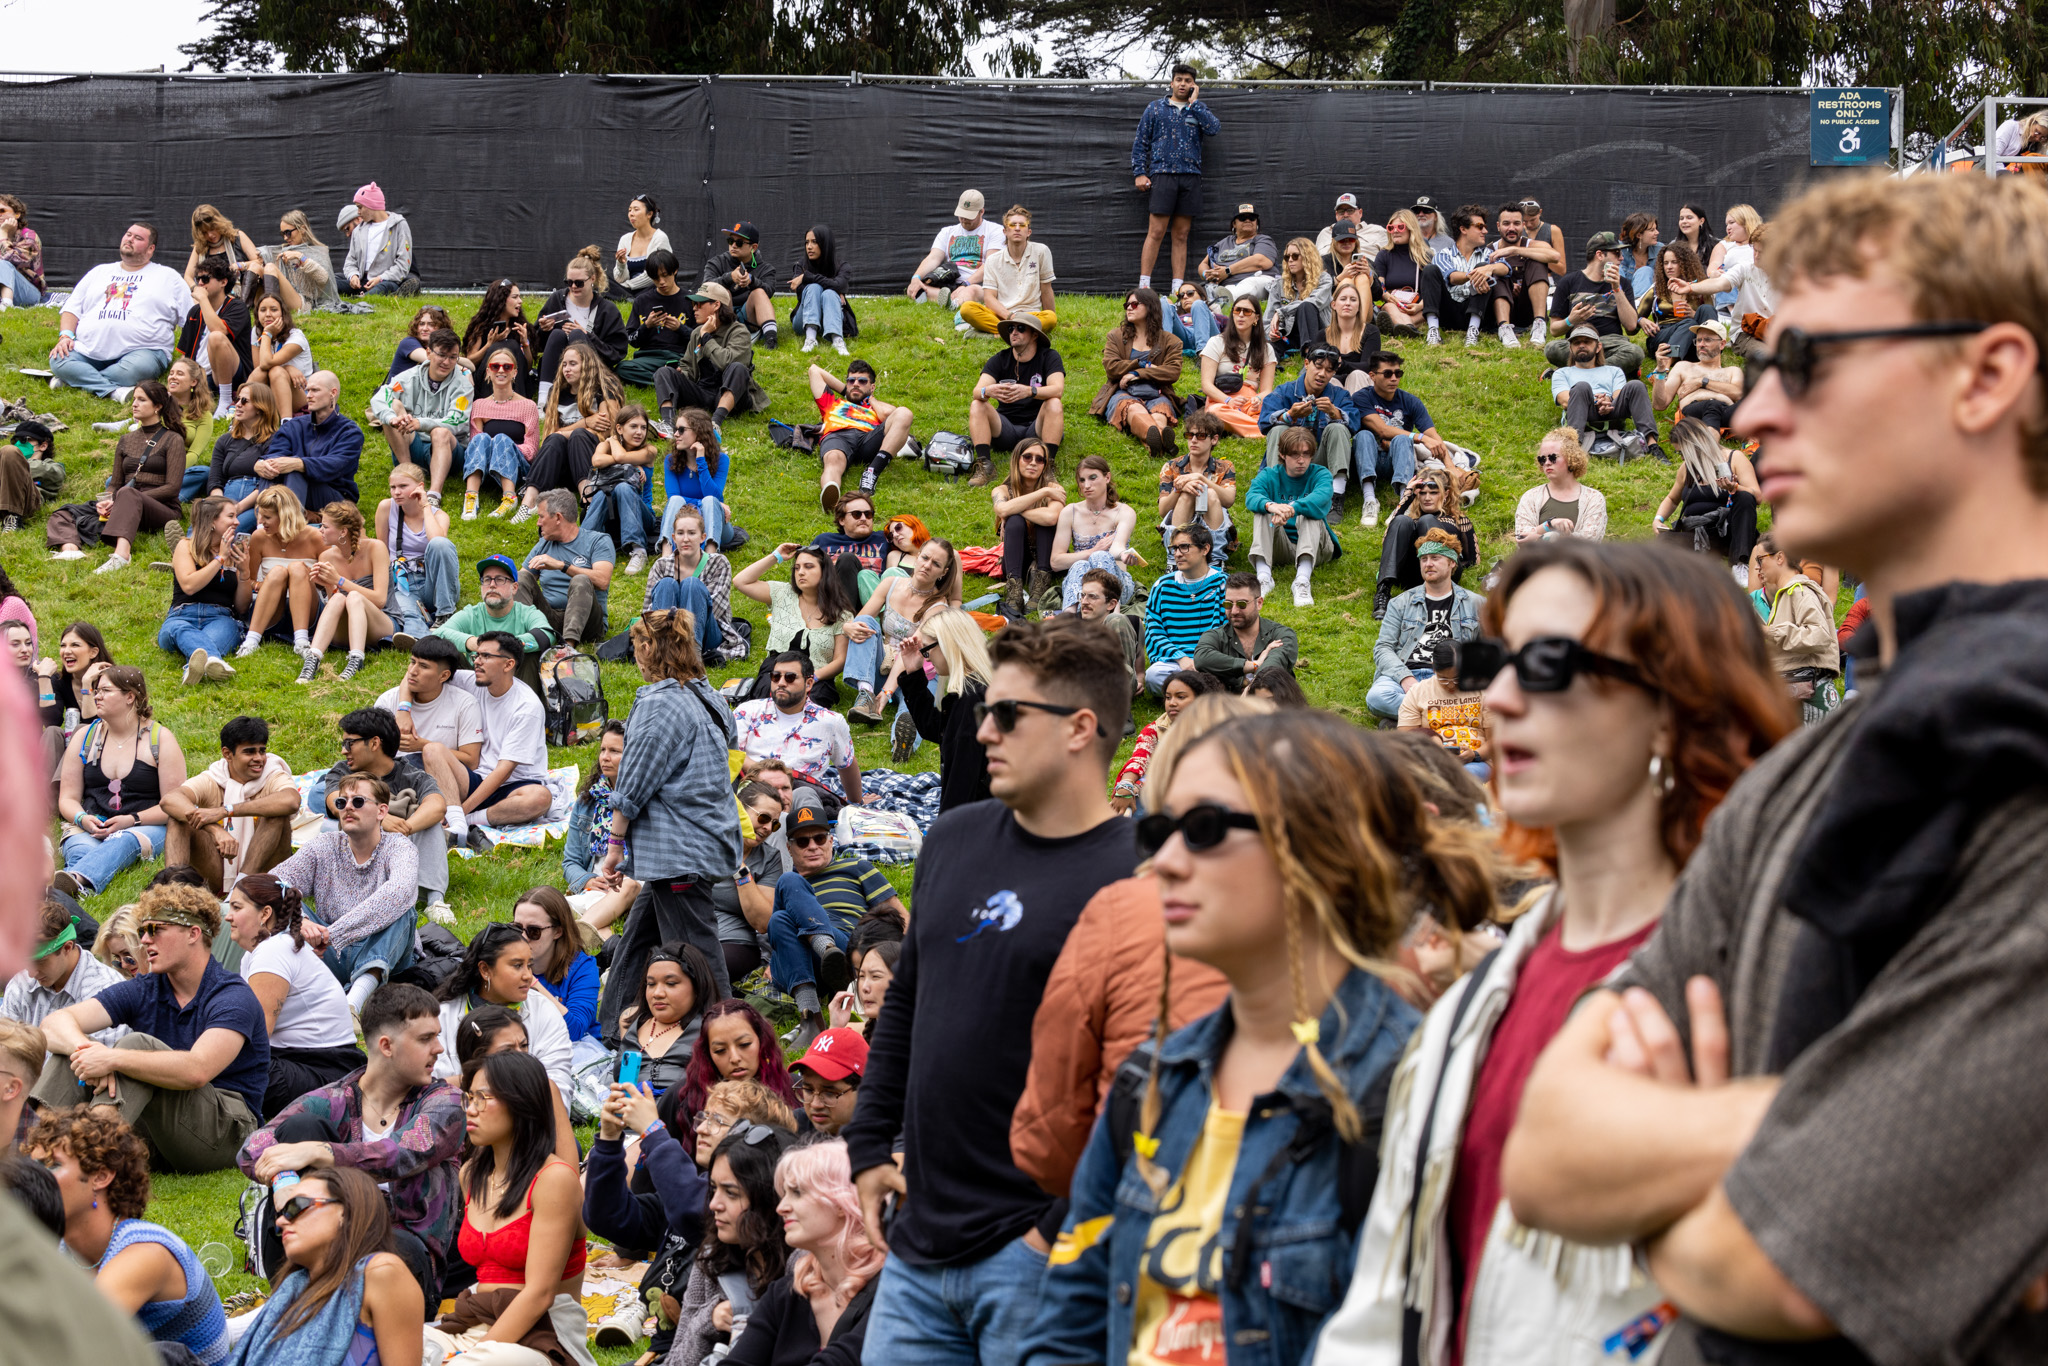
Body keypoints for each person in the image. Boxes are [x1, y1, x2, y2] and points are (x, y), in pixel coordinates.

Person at [1490, 171, 2048, 1365]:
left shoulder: (2020, 756)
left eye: (1803, 365)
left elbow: (1777, 1268)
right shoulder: (1809, 773)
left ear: (1988, 374)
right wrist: (1821, 1121)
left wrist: (1675, 1154)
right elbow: (1543, 1150)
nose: (1746, 419)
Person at [1319, 540, 1793, 1364]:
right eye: (1494, 661)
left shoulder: (1759, 982)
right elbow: (1383, 1311)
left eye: (1544, 662)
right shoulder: (1476, 997)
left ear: (1678, 702)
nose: (1496, 696)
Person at [1024, 712, 1445, 1366]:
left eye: (1205, 830)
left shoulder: (1410, 1093)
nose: (1163, 862)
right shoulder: (1153, 1079)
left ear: (1321, 851)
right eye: (1160, 830)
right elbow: (1069, 1321)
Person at [847, 617, 1137, 1366]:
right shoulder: (953, 837)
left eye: (1007, 714)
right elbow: (908, 997)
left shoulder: (1138, 873)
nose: (982, 732)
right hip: (919, 1240)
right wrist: (870, 1143)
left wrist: (1059, 1226)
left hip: (1041, 1251)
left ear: (1080, 728)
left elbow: (1144, 1078)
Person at [33, 881, 268, 1172]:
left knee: (135, 1047)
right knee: (69, 1052)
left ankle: (88, 1159)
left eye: (155, 930)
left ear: (193, 933)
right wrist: (87, 1050)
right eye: (143, 931)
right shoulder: (147, 988)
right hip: (159, 1132)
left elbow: (197, 1069)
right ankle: (33, 1155)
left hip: (226, 1131)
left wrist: (112, 1058)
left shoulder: (232, 996)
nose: (144, 940)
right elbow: (55, 1023)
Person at [594, 610, 745, 1039]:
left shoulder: (660, 702)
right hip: (702, 839)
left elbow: (634, 781)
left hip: (681, 850)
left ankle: (725, 1036)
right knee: (637, 940)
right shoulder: (709, 694)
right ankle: (612, 1031)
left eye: (637, 644)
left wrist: (615, 844)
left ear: (648, 650)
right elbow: (730, 756)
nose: (634, 654)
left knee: (695, 952)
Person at [424, 1050, 592, 1363]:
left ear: (521, 1103)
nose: (470, 1110)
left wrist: (471, 1352)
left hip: (543, 1333)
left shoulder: (554, 1179)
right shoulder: (471, 1174)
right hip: (478, 1319)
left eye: (483, 1098)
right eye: (469, 1097)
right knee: (386, 1346)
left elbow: (539, 1294)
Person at [28, 1106, 232, 1360]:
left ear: (100, 1176)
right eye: (34, 1165)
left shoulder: (143, 1254)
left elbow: (72, 1342)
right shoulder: (60, 1247)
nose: (34, 1177)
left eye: (53, 1165)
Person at [222, 1166, 426, 1366]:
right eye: (283, 1213)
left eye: (297, 1207)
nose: (281, 1221)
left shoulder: (380, 1272)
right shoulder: (294, 1288)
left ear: (346, 1212)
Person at [715, 1137, 881, 1362]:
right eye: (784, 1194)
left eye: (797, 1193)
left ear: (842, 1202)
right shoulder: (787, 1295)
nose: (781, 1208)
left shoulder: (887, 1291)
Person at [270, 772, 420, 1012]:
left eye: (358, 801)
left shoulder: (400, 847)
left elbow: (398, 892)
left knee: (403, 910)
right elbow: (274, 882)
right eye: (342, 802)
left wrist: (333, 934)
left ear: (382, 811)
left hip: (385, 952)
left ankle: (352, 1004)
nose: (348, 808)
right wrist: (301, 918)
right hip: (328, 951)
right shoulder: (324, 845)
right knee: (273, 902)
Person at [769, 801, 908, 1047]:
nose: (812, 846)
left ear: (831, 841)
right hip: (798, 965)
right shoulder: (788, 885)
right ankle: (812, 1013)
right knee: (783, 905)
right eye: (803, 842)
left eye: (820, 838)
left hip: (845, 952)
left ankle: (812, 1013)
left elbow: (901, 916)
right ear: (790, 849)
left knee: (784, 903)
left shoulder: (856, 867)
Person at [224, 874, 364, 1118]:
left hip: (328, 1075)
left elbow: (255, 1035)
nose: (228, 916)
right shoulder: (261, 952)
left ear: (264, 913)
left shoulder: (273, 950)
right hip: (307, 1064)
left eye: (236, 907)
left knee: (227, 1063)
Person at [669, 1122, 797, 1366]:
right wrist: (710, 1320)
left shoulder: (806, 1269)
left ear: (770, 1198)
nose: (714, 1204)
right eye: (714, 1189)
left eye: (731, 1193)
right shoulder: (713, 1257)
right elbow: (674, 1361)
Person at [54, 667, 187, 901]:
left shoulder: (159, 739)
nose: (96, 696)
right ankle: (70, 890)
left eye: (105, 690)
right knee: (82, 849)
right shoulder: (85, 737)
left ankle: (71, 881)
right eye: (96, 690)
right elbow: (67, 798)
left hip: (143, 827)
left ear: (130, 697)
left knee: (122, 841)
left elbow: (174, 805)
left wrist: (132, 820)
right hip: (91, 825)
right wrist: (82, 819)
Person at [322, 705, 454, 924]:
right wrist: (381, 819)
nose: (344, 751)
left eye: (349, 743)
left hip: (406, 858)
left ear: (374, 743)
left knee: (430, 822)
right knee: (347, 814)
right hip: (361, 863)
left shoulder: (412, 775)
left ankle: (434, 901)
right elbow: (336, 803)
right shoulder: (342, 772)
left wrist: (406, 827)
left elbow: (437, 805)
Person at [421, 632, 554, 838]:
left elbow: (504, 772)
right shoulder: (472, 681)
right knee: (431, 750)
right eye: (476, 656)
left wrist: (462, 811)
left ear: (508, 664)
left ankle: (464, 821)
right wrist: (403, 708)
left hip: (513, 787)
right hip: (475, 777)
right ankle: (458, 821)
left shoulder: (527, 707)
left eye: (485, 656)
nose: (477, 662)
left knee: (540, 798)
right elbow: (419, 674)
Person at [432, 926, 574, 1104]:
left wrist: (471, 1083)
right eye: (517, 966)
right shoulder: (444, 1015)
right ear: (485, 970)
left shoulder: (543, 1010)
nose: (528, 976)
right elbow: (432, 1090)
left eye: (529, 965)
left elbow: (558, 1087)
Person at [48, 223, 189, 400]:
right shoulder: (99, 272)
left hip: (143, 351)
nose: (130, 239)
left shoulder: (169, 277)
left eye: (138, 238)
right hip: (88, 350)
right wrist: (66, 336)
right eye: (128, 234)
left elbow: (190, 320)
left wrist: (188, 361)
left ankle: (74, 379)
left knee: (133, 371)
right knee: (58, 360)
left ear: (151, 249)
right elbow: (71, 309)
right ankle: (113, 391)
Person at [160, 714, 297, 895]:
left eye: (262, 751)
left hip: (264, 875)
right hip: (218, 869)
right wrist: (215, 830)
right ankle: (172, 894)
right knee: (179, 819)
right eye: (249, 752)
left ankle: (240, 891)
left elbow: (291, 801)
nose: (259, 758)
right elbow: (170, 800)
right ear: (227, 754)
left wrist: (226, 811)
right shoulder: (215, 777)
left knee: (277, 814)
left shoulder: (273, 773)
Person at [68, 382, 186, 576]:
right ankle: (68, 549)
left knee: (127, 493)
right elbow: (115, 483)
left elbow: (172, 488)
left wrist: (129, 497)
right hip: (126, 501)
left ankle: (122, 555)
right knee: (67, 510)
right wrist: (107, 501)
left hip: (162, 508)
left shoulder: (173, 439)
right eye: (133, 400)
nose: (134, 404)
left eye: (141, 400)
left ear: (158, 406)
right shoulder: (125, 440)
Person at [1367, 526, 1483, 722]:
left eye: (1435, 558)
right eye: (1424, 559)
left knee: (1485, 700)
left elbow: (1486, 652)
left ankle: (1409, 719)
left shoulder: (1476, 604)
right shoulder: (1400, 603)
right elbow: (1383, 648)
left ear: (1452, 562)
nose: (1428, 564)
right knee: (1377, 698)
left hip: (1450, 679)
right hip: (1406, 674)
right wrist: (1406, 679)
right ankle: (1443, 718)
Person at [844, 538, 960, 725]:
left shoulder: (938, 607)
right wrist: (847, 626)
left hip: (909, 671)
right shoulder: (890, 583)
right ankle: (865, 694)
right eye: (925, 558)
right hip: (880, 664)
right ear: (917, 557)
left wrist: (886, 691)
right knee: (864, 621)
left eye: (936, 564)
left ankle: (902, 727)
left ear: (943, 572)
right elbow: (861, 620)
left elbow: (910, 653)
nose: (927, 565)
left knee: (913, 708)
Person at [1131, 63, 1221, 292]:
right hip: (1162, 176)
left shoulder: (1198, 109)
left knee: (1181, 234)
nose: (1183, 84)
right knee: (1156, 232)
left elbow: (1213, 128)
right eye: (1179, 79)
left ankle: (1177, 289)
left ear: (1194, 85)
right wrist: (1140, 172)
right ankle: (1143, 286)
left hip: (1191, 177)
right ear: (1171, 83)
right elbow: (1140, 142)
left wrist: (1196, 104)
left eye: (1188, 81)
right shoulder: (1155, 108)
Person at [894, 606, 994, 806]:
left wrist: (945, 831)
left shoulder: (971, 700)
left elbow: (962, 782)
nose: (927, 658)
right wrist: (913, 672)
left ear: (947, 644)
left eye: (927, 650)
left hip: (976, 819)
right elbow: (937, 730)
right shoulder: (978, 686)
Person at [515, 341, 623, 521]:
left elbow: (606, 433)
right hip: (561, 467)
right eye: (564, 364)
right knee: (560, 439)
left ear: (587, 365)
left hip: (593, 463)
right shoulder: (557, 392)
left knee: (579, 437)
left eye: (573, 364)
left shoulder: (604, 389)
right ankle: (528, 504)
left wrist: (569, 431)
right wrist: (586, 422)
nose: (567, 369)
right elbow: (550, 437)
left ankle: (588, 500)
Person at [735, 651, 863, 802]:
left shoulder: (831, 722)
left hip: (801, 797)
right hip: (753, 791)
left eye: (790, 677)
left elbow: (847, 764)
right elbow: (730, 753)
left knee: (805, 796)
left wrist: (856, 802)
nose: (781, 683)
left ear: (808, 684)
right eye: (776, 676)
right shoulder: (747, 711)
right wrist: (768, 776)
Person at [734, 546, 853, 705]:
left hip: (814, 676)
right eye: (797, 568)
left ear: (825, 571)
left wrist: (813, 677)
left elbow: (840, 659)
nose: (801, 572)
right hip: (776, 672)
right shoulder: (782, 593)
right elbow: (740, 581)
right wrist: (776, 556)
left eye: (808, 566)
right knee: (768, 703)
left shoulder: (841, 613)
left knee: (808, 706)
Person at [370, 326, 472, 508]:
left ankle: (434, 494)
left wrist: (421, 423)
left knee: (440, 432)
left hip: (448, 451)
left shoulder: (463, 386)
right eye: (442, 355)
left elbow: (457, 421)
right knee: (393, 407)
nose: (447, 362)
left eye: (453, 357)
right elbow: (380, 396)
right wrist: (390, 418)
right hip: (412, 445)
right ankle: (409, 474)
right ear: (428, 353)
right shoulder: (408, 378)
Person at [4, 898, 128, 1047]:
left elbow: (102, 1063)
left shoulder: (107, 990)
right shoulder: (20, 984)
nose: (31, 973)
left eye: (40, 961)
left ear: (67, 947)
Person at [299, 501, 397, 685]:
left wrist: (339, 580)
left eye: (325, 526)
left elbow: (380, 600)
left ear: (343, 531)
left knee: (353, 596)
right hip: (348, 628)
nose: (319, 530)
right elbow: (334, 602)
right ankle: (312, 659)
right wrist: (327, 584)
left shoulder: (376, 548)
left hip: (382, 625)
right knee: (337, 598)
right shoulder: (326, 556)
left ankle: (356, 659)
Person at [1653, 413, 1761, 575]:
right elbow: (1672, 499)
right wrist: (1658, 519)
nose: (1682, 457)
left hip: (1730, 531)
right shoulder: (1686, 468)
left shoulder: (1734, 458)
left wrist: (1735, 487)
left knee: (1744, 497)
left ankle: (1740, 563)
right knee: (1664, 540)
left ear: (1695, 445)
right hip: (1699, 534)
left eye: (1682, 452)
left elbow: (1757, 496)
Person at [152, 495, 244, 685]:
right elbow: (189, 586)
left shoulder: (235, 552)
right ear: (212, 520)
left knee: (225, 630)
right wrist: (219, 559)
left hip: (221, 617)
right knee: (178, 629)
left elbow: (242, 607)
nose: (237, 521)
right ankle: (211, 660)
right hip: (182, 615)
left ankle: (193, 668)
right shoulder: (185, 546)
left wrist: (246, 572)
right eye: (231, 516)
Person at [655, 281, 769, 430]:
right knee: (663, 372)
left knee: (738, 368)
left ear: (716, 305)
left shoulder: (739, 332)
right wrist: (682, 374)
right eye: (693, 305)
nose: (694, 309)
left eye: (700, 304)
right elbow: (687, 364)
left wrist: (706, 338)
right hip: (702, 392)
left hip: (733, 396)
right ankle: (668, 424)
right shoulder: (697, 332)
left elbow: (726, 363)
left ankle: (715, 423)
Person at [1754, 530, 1842, 722]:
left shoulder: (1800, 591)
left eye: (1760, 559)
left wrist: (1769, 631)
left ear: (1780, 557)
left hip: (1812, 697)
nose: (1757, 567)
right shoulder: (1786, 594)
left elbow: (1819, 635)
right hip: (1797, 696)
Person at [969, 316, 1066, 488]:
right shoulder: (1000, 359)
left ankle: (1047, 467)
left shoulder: (1049, 357)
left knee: (1054, 403)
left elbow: (1057, 389)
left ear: (1034, 335)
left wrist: (1029, 391)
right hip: (1005, 427)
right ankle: (985, 466)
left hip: (1036, 428)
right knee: (978, 403)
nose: (1014, 332)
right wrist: (988, 391)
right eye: (1011, 328)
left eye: (1021, 328)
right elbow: (977, 391)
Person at [1245, 425, 1337, 606]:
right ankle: (1263, 578)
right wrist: (1273, 507)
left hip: (1318, 548)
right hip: (1280, 546)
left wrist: (1292, 508)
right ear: (1282, 454)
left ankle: (1302, 581)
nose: (1301, 460)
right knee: (1263, 510)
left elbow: (1322, 497)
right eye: (1295, 454)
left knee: (1310, 513)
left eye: (1306, 454)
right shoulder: (1270, 475)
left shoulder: (1320, 474)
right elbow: (1251, 497)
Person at [810, 358, 915, 511]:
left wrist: (871, 400)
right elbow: (814, 370)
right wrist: (848, 391)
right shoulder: (832, 402)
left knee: (905, 413)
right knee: (833, 459)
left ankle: (872, 472)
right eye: (851, 380)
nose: (856, 384)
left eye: (862, 381)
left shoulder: (876, 407)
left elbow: (890, 414)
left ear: (872, 387)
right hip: (838, 436)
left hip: (869, 439)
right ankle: (830, 495)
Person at [613, 941, 716, 1096]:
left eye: (671, 983)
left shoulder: (713, 1028)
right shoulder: (630, 1022)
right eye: (651, 984)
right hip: (627, 1116)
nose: (658, 993)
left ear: (698, 986)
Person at [518, 488, 616, 649]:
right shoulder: (543, 544)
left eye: (541, 517)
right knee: (520, 580)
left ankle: (568, 648)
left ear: (557, 517)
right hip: (551, 618)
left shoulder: (598, 541)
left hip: (588, 623)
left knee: (581, 580)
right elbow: (519, 583)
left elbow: (602, 580)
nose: (538, 523)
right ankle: (525, 638)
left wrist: (562, 566)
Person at [1092, 286, 1183, 457]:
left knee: (1160, 412)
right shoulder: (1115, 336)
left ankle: (1156, 442)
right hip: (1123, 391)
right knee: (1134, 409)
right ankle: (1162, 441)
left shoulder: (1171, 341)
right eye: (1127, 304)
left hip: (1157, 392)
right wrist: (1142, 363)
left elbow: (1172, 372)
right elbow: (1112, 367)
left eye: (1134, 304)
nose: (1128, 308)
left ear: (1150, 307)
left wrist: (1138, 373)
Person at [1110, 669, 1218, 814]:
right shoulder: (1154, 729)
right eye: (1168, 697)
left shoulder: (1216, 729)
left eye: (1180, 697)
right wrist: (1126, 786)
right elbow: (1140, 758)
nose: (1172, 703)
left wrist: (1138, 787)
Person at [535, 245, 629, 409]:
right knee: (557, 334)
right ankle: (543, 401)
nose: (573, 287)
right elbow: (537, 345)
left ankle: (585, 398)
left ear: (592, 279)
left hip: (592, 368)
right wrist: (544, 330)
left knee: (578, 335)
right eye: (569, 282)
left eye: (578, 283)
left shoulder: (607, 310)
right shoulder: (557, 299)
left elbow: (617, 352)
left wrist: (587, 335)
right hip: (559, 367)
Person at [644, 500, 737, 665]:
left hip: (706, 633)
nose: (685, 539)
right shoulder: (661, 565)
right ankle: (664, 653)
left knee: (692, 585)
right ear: (673, 538)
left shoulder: (718, 563)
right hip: (668, 633)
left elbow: (715, 611)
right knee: (667, 584)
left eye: (691, 533)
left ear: (702, 537)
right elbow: (649, 611)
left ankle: (692, 656)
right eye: (680, 533)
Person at [374, 463, 461, 636]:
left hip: (435, 584)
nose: (396, 492)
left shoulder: (439, 515)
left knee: (440, 544)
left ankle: (444, 614)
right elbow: (380, 549)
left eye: (403, 486)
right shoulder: (386, 507)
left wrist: (426, 507)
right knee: (407, 614)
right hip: (403, 582)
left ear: (420, 487)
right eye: (393, 487)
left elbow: (438, 540)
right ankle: (421, 638)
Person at [1542, 231, 1646, 376]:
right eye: (1616, 253)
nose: (1621, 258)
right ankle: (1612, 371)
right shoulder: (1569, 282)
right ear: (1600, 255)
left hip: (1611, 343)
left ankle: (1576, 371)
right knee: (1552, 348)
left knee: (1635, 352)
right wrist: (1571, 320)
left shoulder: (1623, 284)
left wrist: (1616, 288)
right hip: (1580, 341)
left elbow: (1630, 326)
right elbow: (1554, 330)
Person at [1258, 342, 1359, 490]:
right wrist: (1289, 415)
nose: (1322, 374)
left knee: (1338, 428)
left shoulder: (1340, 395)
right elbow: (1264, 422)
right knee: (1277, 430)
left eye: (1329, 370)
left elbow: (1355, 424)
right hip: (1289, 460)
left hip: (1320, 462)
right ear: (1306, 363)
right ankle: (1278, 489)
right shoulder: (1285, 391)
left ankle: (1336, 494)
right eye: (1318, 367)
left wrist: (1334, 413)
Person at [260, 369, 364, 512]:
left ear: (332, 393)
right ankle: (263, 522)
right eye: (307, 390)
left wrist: (299, 463)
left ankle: (291, 526)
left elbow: (335, 465)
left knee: (295, 470)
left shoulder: (349, 431)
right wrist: (263, 464)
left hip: (333, 496)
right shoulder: (294, 426)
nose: (308, 396)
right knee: (271, 468)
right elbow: (275, 454)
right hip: (291, 490)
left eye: (315, 390)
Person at [1050, 455, 1143, 613]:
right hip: (1081, 587)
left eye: (1093, 478)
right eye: (1082, 480)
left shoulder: (1124, 512)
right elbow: (1056, 562)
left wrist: (1124, 555)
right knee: (1080, 565)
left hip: (1116, 586)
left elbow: (1116, 548)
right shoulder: (1070, 512)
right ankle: (1069, 620)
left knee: (1101, 557)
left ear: (1107, 477)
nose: (1087, 485)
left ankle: (1113, 617)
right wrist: (1092, 551)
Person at [515, 887, 601, 1058]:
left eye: (534, 931)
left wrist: (532, 983)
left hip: (575, 1056)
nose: (523, 938)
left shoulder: (582, 968)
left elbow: (575, 1031)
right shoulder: (504, 964)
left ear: (557, 931)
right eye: (517, 928)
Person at [1142, 523, 1227, 694]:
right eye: (1174, 548)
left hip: (1212, 660)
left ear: (1205, 549)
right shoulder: (1162, 585)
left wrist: (1204, 660)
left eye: (1184, 547)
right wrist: (1181, 658)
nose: (1177, 554)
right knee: (1153, 676)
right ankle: (1204, 694)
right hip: (1175, 662)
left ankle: (1183, 694)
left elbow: (1226, 628)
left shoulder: (1224, 583)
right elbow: (1153, 630)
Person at [1550, 323, 1659, 453]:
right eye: (1576, 343)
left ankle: (1652, 445)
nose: (1581, 345)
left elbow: (1619, 395)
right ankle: (1574, 448)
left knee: (1636, 385)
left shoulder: (1614, 371)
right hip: (1583, 412)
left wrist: (1607, 400)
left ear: (1598, 347)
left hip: (1611, 409)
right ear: (1571, 349)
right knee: (1581, 387)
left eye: (1587, 342)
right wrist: (1595, 402)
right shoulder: (1562, 373)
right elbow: (1565, 401)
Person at [579, 403, 660, 576]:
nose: (639, 432)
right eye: (633, 426)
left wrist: (614, 440)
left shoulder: (649, 450)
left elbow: (621, 456)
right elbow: (596, 461)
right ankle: (580, 548)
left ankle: (638, 550)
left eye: (643, 427)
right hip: (609, 513)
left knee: (623, 487)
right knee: (603, 492)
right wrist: (631, 464)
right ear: (619, 428)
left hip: (641, 516)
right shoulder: (604, 446)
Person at [990, 438, 1068, 613]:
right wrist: (1043, 493)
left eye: (1040, 459)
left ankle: (1040, 589)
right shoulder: (1001, 490)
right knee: (1015, 521)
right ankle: (1014, 592)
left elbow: (1051, 518)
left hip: (1047, 556)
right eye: (1027, 457)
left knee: (1040, 522)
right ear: (1017, 459)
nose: (1033, 463)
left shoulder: (1054, 488)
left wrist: (1015, 510)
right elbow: (1001, 508)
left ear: (1044, 465)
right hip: (1017, 559)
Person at [436, 554, 555, 666]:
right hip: (476, 680)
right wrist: (473, 642)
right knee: (444, 653)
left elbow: (547, 635)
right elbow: (438, 634)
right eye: (487, 579)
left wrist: (502, 645)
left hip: (516, 679)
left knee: (531, 653)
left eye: (499, 579)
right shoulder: (471, 614)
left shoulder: (528, 613)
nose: (492, 585)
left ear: (514, 588)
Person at [958, 204, 1058, 336]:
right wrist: (1010, 316)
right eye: (1012, 225)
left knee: (1050, 317)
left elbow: (1046, 290)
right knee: (967, 309)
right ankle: (1021, 332)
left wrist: (1052, 322)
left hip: (1030, 315)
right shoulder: (993, 260)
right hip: (1002, 315)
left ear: (1029, 232)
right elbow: (989, 298)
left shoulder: (1041, 251)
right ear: (1005, 231)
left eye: (1022, 225)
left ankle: (997, 333)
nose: (1017, 228)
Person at [176, 254, 255, 421]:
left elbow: (218, 329)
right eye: (198, 279)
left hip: (232, 373)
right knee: (167, 393)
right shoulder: (194, 313)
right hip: (201, 375)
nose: (200, 283)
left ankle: (226, 399)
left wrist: (203, 299)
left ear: (223, 282)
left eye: (205, 278)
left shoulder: (237, 307)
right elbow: (185, 354)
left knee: (216, 337)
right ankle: (137, 420)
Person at [1156, 409, 1237, 563]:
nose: (1193, 440)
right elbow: (1163, 510)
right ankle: (1175, 558)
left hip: (1212, 519)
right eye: (1189, 435)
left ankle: (1215, 559)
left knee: (1210, 493)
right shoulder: (1172, 466)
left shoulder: (1225, 466)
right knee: (1187, 494)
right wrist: (1179, 489)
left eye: (1200, 436)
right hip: (1182, 517)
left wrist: (1201, 479)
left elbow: (1228, 500)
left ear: (1214, 439)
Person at [1435, 203, 1521, 347]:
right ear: (1463, 229)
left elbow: (1506, 268)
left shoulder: (1488, 254)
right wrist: (1475, 274)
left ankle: (1473, 331)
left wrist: (1488, 268)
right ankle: (1433, 331)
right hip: (1450, 313)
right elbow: (1453, 277)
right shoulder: (1443, 254)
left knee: (1485, 268)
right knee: (1431, 270)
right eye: (1480, 226)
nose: (1486, 231)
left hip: (1480, 315)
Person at [1194, 569, 1298, 687]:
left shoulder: (1282, 634)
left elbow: (1274, 665)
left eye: (1242, 604)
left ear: (1259, 603)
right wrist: (1253, 665)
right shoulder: (1214, 636)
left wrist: (1250, 688)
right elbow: (1201, 659)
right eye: (1228, 604)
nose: (1234, 611)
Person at [656, 406, 736, 557]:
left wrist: (701, 460)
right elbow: (673, 497)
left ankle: (710, 558)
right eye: (675, 429)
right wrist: (705, 503)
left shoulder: (722, 460)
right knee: (676, 500)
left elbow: (714, 496)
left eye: (681, 429)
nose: (675, 434)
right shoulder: (670, 460)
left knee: (711, 501)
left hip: (714, 524)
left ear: (698, 432)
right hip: (685, 521)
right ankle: (665, 557)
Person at [1195, 293, 1275, 439]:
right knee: (1216, 413)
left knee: (1271, 407)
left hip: (1250, 401)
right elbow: (1206, 385)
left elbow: (1267, 390)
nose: (1241, 315)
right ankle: (1262, 432)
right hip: (1221, 400)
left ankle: (1239, 427)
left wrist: (1257, 400)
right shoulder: (1216, 342)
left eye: (1247, 311)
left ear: (1256, 318)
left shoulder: (1266, 348)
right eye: (1237, 310)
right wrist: (1228, 401)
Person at [908, 188, 1005, 304]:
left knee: (971, 291)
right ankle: (950, 300)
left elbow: (990, 264)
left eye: (969, 216)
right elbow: (933, 257)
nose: (964, 219)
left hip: (977, 283)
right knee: (915, 287)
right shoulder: (947, 231)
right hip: (950, 281)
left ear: (981, 212)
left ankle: (944, 300)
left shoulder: (996, 230)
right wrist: (916, 278)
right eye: (961, 215)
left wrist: (966, 284)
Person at [1513, 426, 1609, 543]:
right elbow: (1521, 539)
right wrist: (1549, 525)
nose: (1547, 463)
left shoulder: (1593, 498)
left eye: (1553, 457)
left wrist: (1541, 538)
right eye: (1542, 459)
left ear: (1571, 458)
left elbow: (1589, 542)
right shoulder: (1531, 497)